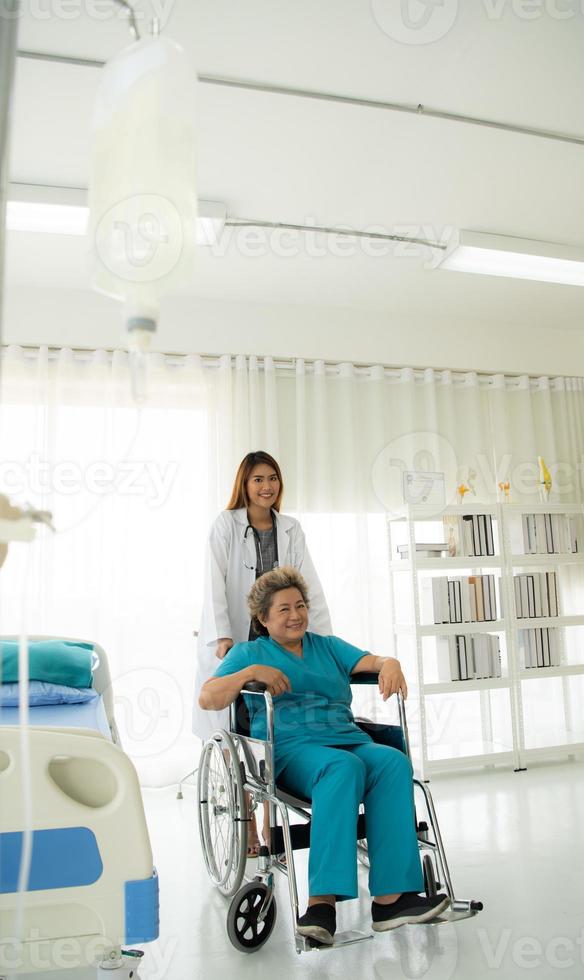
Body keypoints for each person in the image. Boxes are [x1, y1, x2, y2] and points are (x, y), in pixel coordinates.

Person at [199, 566, 450, 946]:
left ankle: (390, 900)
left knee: (392, 762)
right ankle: (321, 905)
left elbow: (373, 661)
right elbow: (209, 697)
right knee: (342, 768)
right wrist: (251, 672)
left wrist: (391, 663)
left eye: (299, 606)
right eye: (283, 609)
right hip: (291, 749)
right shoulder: (250, 653)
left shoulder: (327, 646)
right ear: (263, 618)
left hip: (345, 738)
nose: (296, 614)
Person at [192, 452, 332, 851]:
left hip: (279, 636)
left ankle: (273, 826)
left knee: (276, 729)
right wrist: (222, 636)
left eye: (272, 478)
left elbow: (309, 587)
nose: (266, 486)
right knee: (239, 734)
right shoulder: (226, 525)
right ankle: (250, 826)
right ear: (244, 484)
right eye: (258, 479)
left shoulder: (290, 529)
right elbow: (213, 583)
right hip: (238, 639)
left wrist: (321, 640)